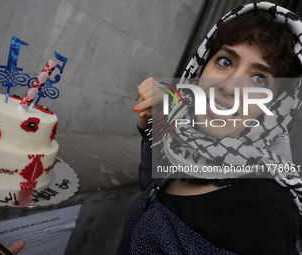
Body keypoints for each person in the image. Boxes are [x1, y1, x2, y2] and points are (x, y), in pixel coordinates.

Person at [117, 2, 302, 255]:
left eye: (260, 79)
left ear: (276, 106)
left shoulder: (263, 212)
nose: (229, 86)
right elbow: (154, 185)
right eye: (225, 61)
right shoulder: (186, 147)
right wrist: (152, 123)